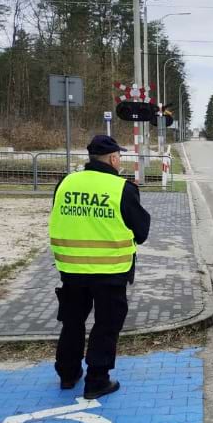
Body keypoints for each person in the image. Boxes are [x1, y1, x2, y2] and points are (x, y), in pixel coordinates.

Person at [48, 135, 151, 399]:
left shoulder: (66, 183)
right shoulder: (121, 188)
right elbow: (141, 232)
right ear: (114, 158)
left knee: (72, 322)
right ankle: (97, 380)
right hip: (110, 272)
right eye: (119, 157)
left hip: (71, 270)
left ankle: (68, 375)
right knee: (105, 325)